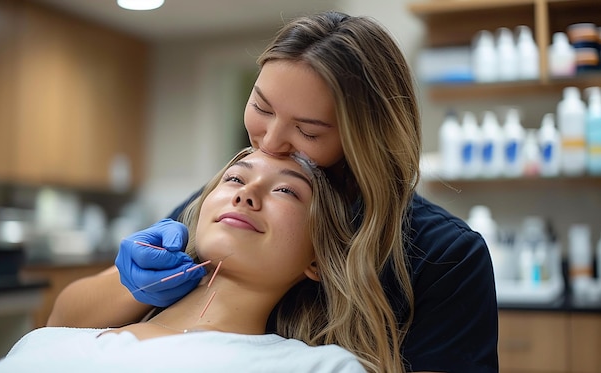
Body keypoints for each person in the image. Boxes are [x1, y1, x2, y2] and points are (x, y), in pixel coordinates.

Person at [48, 11, 498, 373]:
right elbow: (60, 323)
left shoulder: (444, 257)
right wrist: (135, 286)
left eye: (307, 131)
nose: (268, 142)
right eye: (261, 107)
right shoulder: (224, 204)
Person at [0, 148, 367, 373]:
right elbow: (60, 315)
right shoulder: (57, 338)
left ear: (317, 259)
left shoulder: (316, 367)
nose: (247, 194)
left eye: (285, 190)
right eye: (234, 179)